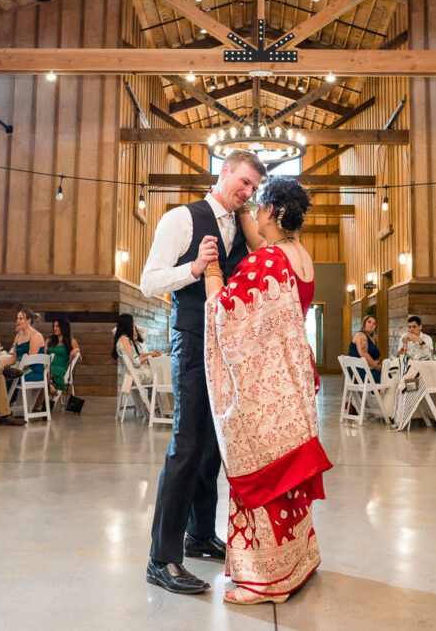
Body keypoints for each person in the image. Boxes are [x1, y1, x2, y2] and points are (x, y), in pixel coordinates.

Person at [139, 148, 263, 595]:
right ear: (223, 172)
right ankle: (162, 558)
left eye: (253, 187)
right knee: (187, 445)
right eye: (243, 181)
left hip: (226, 349)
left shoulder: (240, 227)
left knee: (213, 447)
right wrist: (193, 268)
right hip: (191, 341)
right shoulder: (181, 219)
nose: (247, 192)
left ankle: (198, 535)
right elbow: (148, 281)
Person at [203, 176, 331, 605]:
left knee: (263, 475)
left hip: (266, 389)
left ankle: (266, 582)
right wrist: (241, 211)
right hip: (295, 382)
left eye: (258, 209)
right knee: (290, 475)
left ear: (273, 212)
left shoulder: (268, 262)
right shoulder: (300, 257)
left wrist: (213, 269)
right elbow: (266, 260)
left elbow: (227, 313)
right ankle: (296, 562)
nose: (254, 216)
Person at [112, 313, 159, 384]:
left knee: (158, 373)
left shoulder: (124, 339)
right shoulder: (124, 339)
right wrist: (150, 356)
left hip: (133, 373)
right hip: (133, 375)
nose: (134, 326)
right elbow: (135, 363)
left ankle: (153, 395)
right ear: (127, 325)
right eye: (132, 324)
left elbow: (137, 357)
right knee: (160, 374)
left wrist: (152, 354)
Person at [47, 317, 80, 397]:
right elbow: (42, 353)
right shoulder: (49, 340)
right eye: (54, 326)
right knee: (41, 369)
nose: (54, 328)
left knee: (45, 371)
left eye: (57, 326)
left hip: (60, 368)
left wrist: (77, 350)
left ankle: (48, 387)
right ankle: (50, 387)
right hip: (48, 365)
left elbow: (79, 360)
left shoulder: (72, 341)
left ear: (64, 327)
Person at [350, 315, 381, 382]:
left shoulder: (372, 340)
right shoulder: (361, 335)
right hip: (360, 373)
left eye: (374, 324)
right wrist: (377, 367)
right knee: (390, 376)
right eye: (369, 322)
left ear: (375, 327)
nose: (371, 325)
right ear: (364, 323)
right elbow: (363, 354)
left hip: (367, 370)